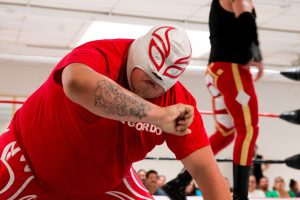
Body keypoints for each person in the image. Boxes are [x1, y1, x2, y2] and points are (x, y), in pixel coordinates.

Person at [0, 25, 231, 199]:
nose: (149, 87)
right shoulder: (101, 54)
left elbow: (204, 169)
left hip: (106, 183)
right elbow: (77, 84)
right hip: (24, 160)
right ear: (134, 55)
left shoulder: (179, 103)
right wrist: (157, 115)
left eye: (158, 85)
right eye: (147, 77)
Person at [204, 0, 264, 199]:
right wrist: (257, 56)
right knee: (248, 129)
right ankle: (240, 196)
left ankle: (181, 180)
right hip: (232, 70)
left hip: (214, 71)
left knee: (225, 132)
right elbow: (246, 19)